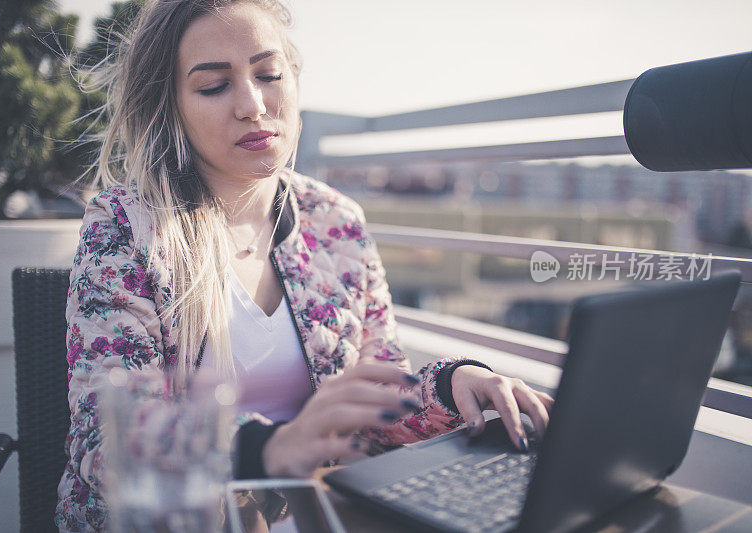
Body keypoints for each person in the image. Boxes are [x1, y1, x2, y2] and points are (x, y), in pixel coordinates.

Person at [56, 0, 554, 531]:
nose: (252, 104)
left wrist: (453, 386)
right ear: (171, 105)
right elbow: (107, 436)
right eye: (213, 86)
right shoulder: (125, 225)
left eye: (268, 74)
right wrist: (267, 450)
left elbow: (374, 398)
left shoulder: (336, 221)